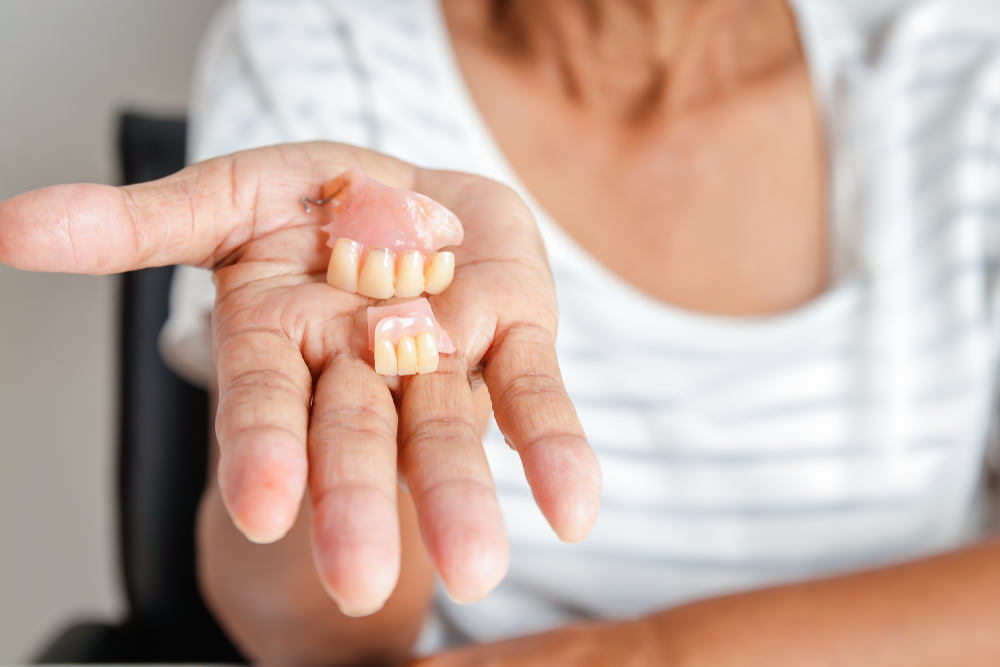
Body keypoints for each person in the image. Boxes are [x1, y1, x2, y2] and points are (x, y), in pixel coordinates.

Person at [4, 0, 1000, 663]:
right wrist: (346, 431)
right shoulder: (320, 37)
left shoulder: (964, 61)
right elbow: (313, 635)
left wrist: (631, 656)